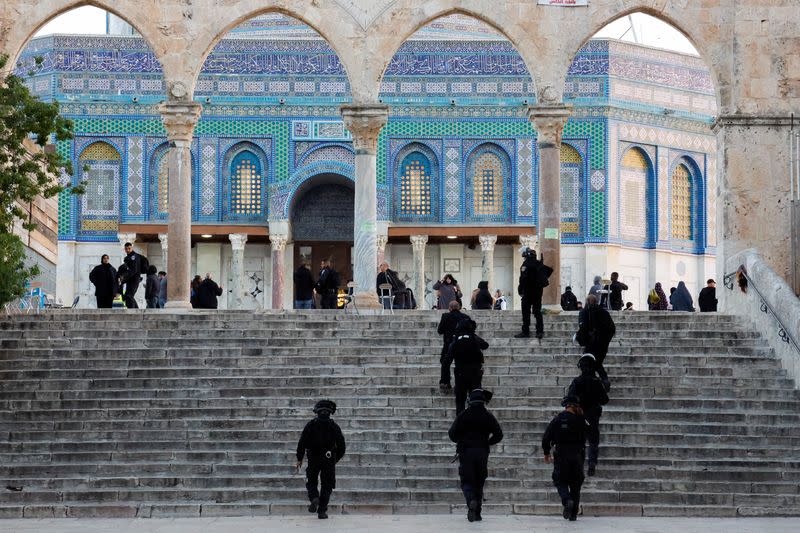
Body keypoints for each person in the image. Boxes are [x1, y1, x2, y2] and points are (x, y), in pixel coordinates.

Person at [448, 389, 503, 522]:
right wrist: (488, 442)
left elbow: (452, 433)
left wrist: (461, 441)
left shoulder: (464, 415)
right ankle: (477, 513)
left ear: (470, 400)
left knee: (467, 481)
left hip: (466, 452)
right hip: (482, 452)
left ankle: (471, 500)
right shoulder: (487, 415)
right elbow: (499, 434)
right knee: (479, 482)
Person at [295, 400, 346, 520]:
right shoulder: (334, 427)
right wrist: (334, 459)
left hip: (313, 458)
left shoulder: (311, 425)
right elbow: (342, 447)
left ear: (316, 412)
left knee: (311, 481)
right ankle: (322, 511)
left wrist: (299, 458)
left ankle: (314, 498)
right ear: (330, 413)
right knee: (327, 485)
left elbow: (302, 443)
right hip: (328, 459)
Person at [542, 394, 587, 522]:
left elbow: (546, 437)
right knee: (576, 484)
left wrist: (546, 452)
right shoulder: (581, 420)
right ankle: (573, 515)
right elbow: (588, 435)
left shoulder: (558, 419)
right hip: (577, 455)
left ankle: (567, 500)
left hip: (561, 455)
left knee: (559, 480)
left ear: (566, 405)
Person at [567, 354, 609, 477]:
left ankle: (579, 464)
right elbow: (605, 400)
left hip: (578, 415)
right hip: (593, 416)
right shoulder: (596, 382)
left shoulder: (577, 381)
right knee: (593, 441)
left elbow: (570, 397)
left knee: (579, 441)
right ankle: (591, 463)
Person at [446, 318, 489, 415]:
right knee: (476, 399)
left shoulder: (456, 340)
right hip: (475, 373)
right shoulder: (473, 338)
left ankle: (460, 422)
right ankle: (476, 419)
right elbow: (485, 345)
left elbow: (447, 359)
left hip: (460, 373)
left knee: (460, 400)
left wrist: (445, 379)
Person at [575, 294, 615, 390]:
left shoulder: (584, 312)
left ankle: (599, 382)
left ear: (587, 302)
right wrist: (605, 340)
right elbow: (612, 328)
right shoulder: (604, 312)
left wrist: (581, 338)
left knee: (590, 363)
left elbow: (583, 328)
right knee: (596, 362)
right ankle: (600, 382)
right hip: (603, 344)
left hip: (591, 343)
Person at [515, 247, 552, 339]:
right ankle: (539, 332)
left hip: (527, 292)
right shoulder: (539, 264)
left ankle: (526, 332)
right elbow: (549, 270)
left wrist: (520, 290)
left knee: (526, 312)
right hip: (538, 292)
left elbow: (522, 279)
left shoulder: (525, 264)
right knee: (537, 312)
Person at [437, 301, 470, 391]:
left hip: (448, 343)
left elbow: (440, 331)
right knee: (460, 364)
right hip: (462, 344)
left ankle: (445, 382)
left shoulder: (445, 316)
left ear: (450, 308)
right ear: (459, 308)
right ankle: (460, 383)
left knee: (445, 362)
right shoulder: (465, 317)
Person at [121, 242, 147, 309]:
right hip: (131, 279)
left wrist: (124, 279)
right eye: (126, 249)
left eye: (129, 248)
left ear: (132, 248)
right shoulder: (129, 257)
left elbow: (133, 270)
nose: (128, 250)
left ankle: (133, 311)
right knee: (128, 296)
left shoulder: (134, 257)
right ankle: (136, 311)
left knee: (129, 296)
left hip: (134, 279)